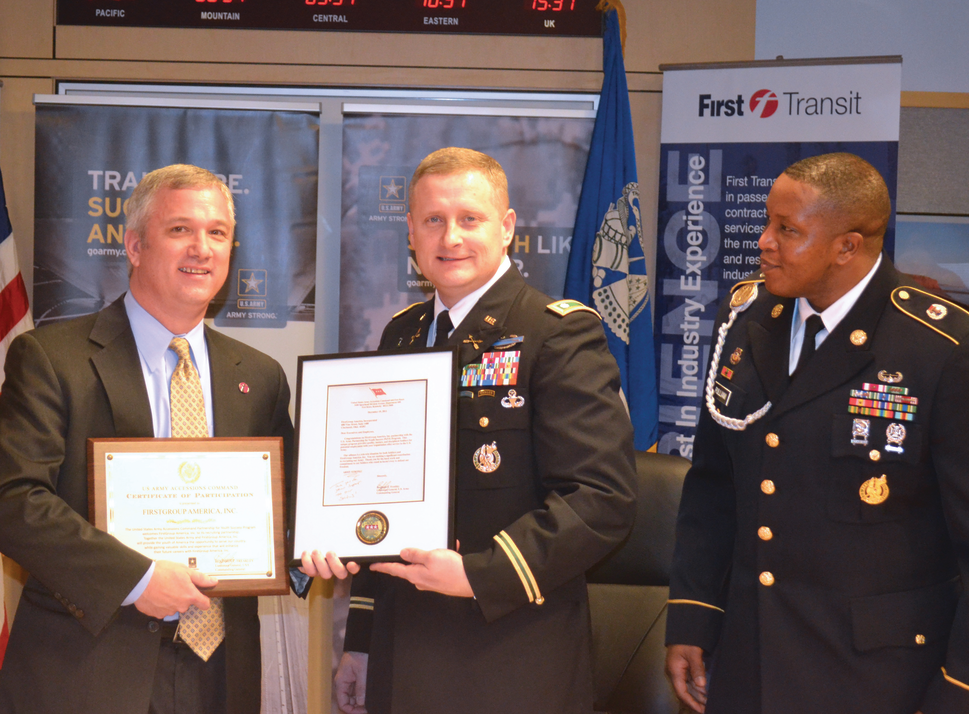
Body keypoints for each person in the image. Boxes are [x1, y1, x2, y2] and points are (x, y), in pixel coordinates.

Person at [0, 164, 352, 714]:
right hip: (88, 667)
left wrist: (310, 548)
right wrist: (138, 579)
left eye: (217, 233)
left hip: (222, 673)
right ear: (135, 245)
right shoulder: (51, 358)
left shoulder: (259, 376)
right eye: (180, 229)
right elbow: (14, 500)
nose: (202, 248)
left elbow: (280, 516)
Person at [302, 147, 637, 713]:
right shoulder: (403, 334)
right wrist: (358, 641)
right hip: (402, 645)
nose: (450, 237)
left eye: (470, 219)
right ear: (410, 232)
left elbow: (602, 501)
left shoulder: (556, 334)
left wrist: (481, 575)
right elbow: (380, 496)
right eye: (433, 220)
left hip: (510, 651)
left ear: (506, 228)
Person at [664, 152, 969, 714]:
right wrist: (695, 615)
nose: (764, 242)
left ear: (848, 246)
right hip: (748, 663)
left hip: (878, 678)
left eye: (787, 230)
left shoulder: (946, 351)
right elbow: (714, 486)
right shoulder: (747, 318)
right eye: (768, 223)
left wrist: (966, 693)